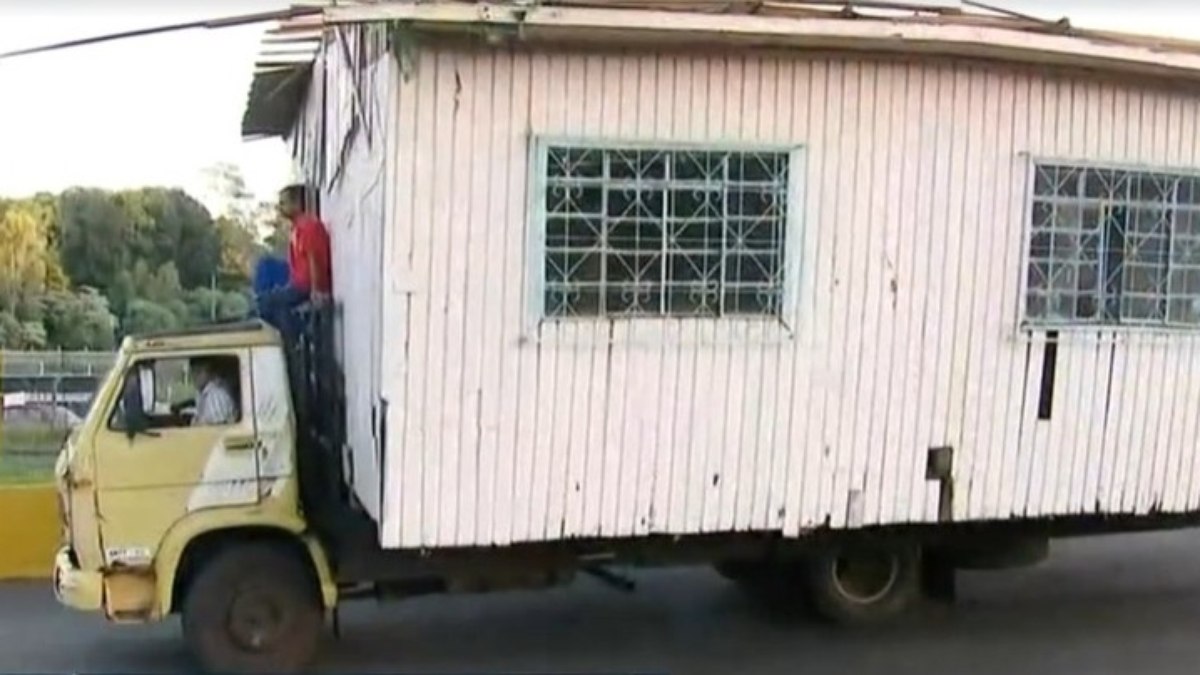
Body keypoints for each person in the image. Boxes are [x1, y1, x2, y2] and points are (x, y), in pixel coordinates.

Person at [258, 184, 332, 334]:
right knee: (269, 302)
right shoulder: (296, 229)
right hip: (297, 285)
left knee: (266, 302)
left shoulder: (309, 226)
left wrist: (316, 291)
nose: (280, 207)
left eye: (283, 203)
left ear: (297, 204)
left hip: (307, 286)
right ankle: (293, 337)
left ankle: (297, 336)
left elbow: (314, 259)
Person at [189, 357, 238, 427]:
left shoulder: (216, 394)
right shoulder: (204, 393)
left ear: (210, 372)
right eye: (193, 372)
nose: (195, 376)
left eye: (199, 372)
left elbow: (217, 427)